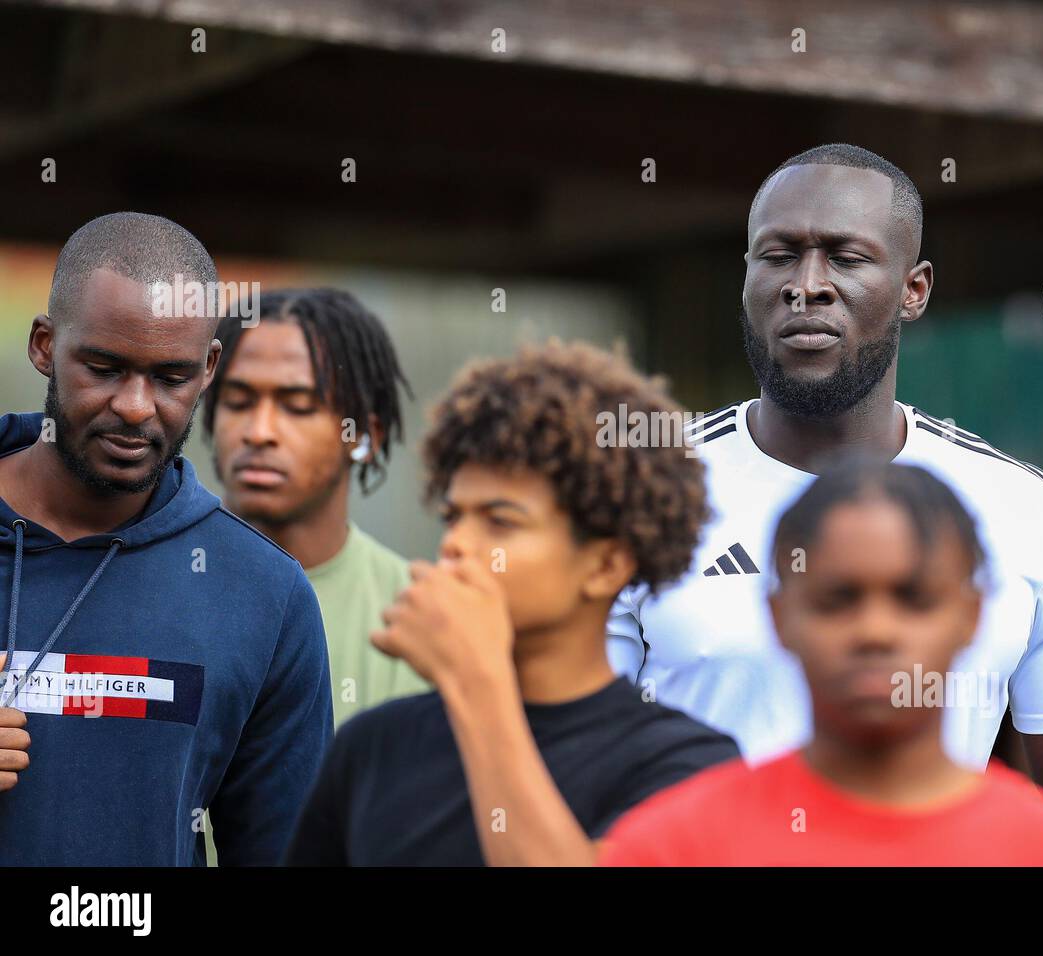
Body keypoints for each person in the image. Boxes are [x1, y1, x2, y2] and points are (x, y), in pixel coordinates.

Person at [606, 143, 1043, 853]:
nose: (808, 284)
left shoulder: (1022, 514)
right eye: (778, 255)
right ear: (745, 279)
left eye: (846, 257)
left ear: (914, 289)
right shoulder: (634, 491)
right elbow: (575, 762)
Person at [284, 341, 739, 866]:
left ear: (606, 565)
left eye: (500, 521)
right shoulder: (374, 746)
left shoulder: (687, 764)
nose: (455, 543)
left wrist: (477, 683)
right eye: (454, 515)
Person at [601, 455, 1043, 866]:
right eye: (838, 600)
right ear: (779, 616)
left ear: (973, 616)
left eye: (913, 599)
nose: (874, 631)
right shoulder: (667, 846)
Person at [0, 212, 331, 865]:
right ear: (44, 346)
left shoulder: (265, 595)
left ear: (209, 368)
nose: (134, 406)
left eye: (170, 377)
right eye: (103, 366)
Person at [205, 288, 426, 727]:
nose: (259, 431)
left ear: (365, 435)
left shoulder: (415, 615)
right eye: (238, 402)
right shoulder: (147, 583)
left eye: (299, 406)